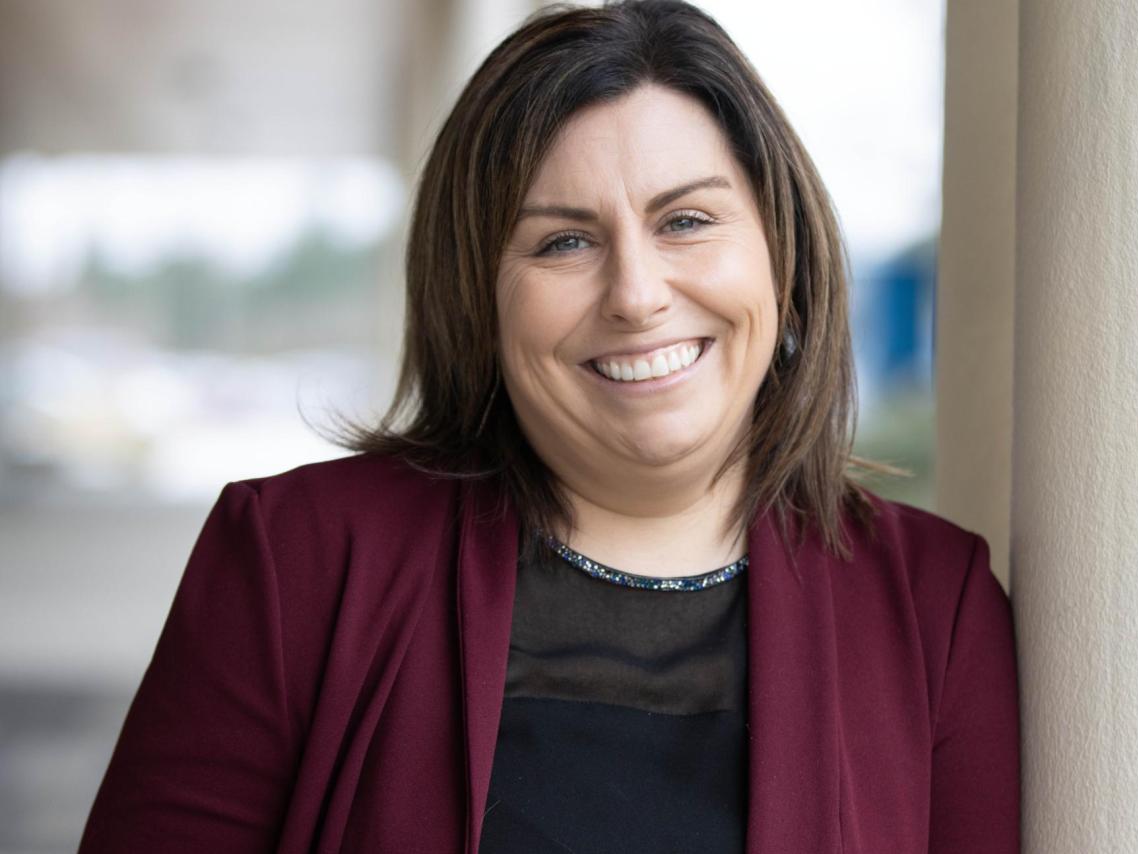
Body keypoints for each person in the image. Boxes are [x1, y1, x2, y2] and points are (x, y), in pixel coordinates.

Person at [78, 1, 1020, 851]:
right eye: (563, 241)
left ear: (785, 255)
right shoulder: (297, 560)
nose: (637, 295)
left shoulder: (935, 610)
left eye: (687, 221)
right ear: (476, 296)